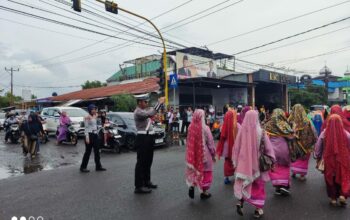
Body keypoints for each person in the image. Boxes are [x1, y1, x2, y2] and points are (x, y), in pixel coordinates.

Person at [233, 110, 275, 218]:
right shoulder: (261, 132)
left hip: (243, 165)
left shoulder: (242, 130)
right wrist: (272, 159)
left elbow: (236, 148)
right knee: (258, 186)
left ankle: (240, 202)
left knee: (244, 183)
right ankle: (258, 209)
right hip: (258, 166)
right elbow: (268, 148)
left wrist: (235, 161)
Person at [314, 114, 350, 206]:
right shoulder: (346, 133)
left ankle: (333, 199)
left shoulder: (324, 133)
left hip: (328, 160)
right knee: (343, 176)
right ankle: (342, 194)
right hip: (343, 160)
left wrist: (317, 157)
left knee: (330, 179)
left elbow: (318, 147)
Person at [134, 94, 165, 194]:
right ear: (140, 102)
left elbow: (152, 112)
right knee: (141, 162)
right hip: (142, 137)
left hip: (149, 137)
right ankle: (138, 186)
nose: (147, 103)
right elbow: (151, 113)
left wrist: (160, 105)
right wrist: (159, 103)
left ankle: (146, 181)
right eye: (145, 102)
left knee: (148, 161)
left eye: (147, 102)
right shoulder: (138, 111)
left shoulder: (145, 110)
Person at [186, 109, 216, 200]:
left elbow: (189, 141)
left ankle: (192, 185)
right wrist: (213, 154)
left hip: (193, 154)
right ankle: (204, 192)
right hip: (204, 155)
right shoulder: (205, 128)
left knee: (195, 171)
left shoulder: (190, 127)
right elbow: (210, 143)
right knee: (206, 173)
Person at [264, 109, 294, 195]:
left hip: (272, 150)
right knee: (285, 167)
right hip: (284, 149)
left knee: (274, 167)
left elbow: (264, 137)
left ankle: (277, 187)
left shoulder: (268, 124)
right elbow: (291, 137)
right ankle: (284, 185)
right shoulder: (284, 124)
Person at [288, 104, 317, 181]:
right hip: (305, 145)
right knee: (303, 160)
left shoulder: (290, 121)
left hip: (294, 145)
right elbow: (313, 133)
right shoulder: (307, 121)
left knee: (295, 158)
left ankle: (294, 172)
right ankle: (302, 175)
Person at [80, 104, 106, 173]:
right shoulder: (87, 117)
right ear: (89, 110)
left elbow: (100, 122)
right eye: (92, 109)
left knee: (97, 151)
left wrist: (103, 116)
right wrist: (87, 138)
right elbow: (86, 128)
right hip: (89, 134)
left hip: (95, 134)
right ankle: (83, 167)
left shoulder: (96, 115)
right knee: (88, 152)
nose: (94, 110)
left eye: (95, 109)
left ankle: (98, 166)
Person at [216, 110, 240, 184]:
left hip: (226, 148)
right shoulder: (237, 125)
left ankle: (226, 177)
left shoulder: (223, 125)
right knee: (236, 161)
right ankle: (237, 176)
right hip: (235, 146)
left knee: (227, 161)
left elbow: (222, 136)